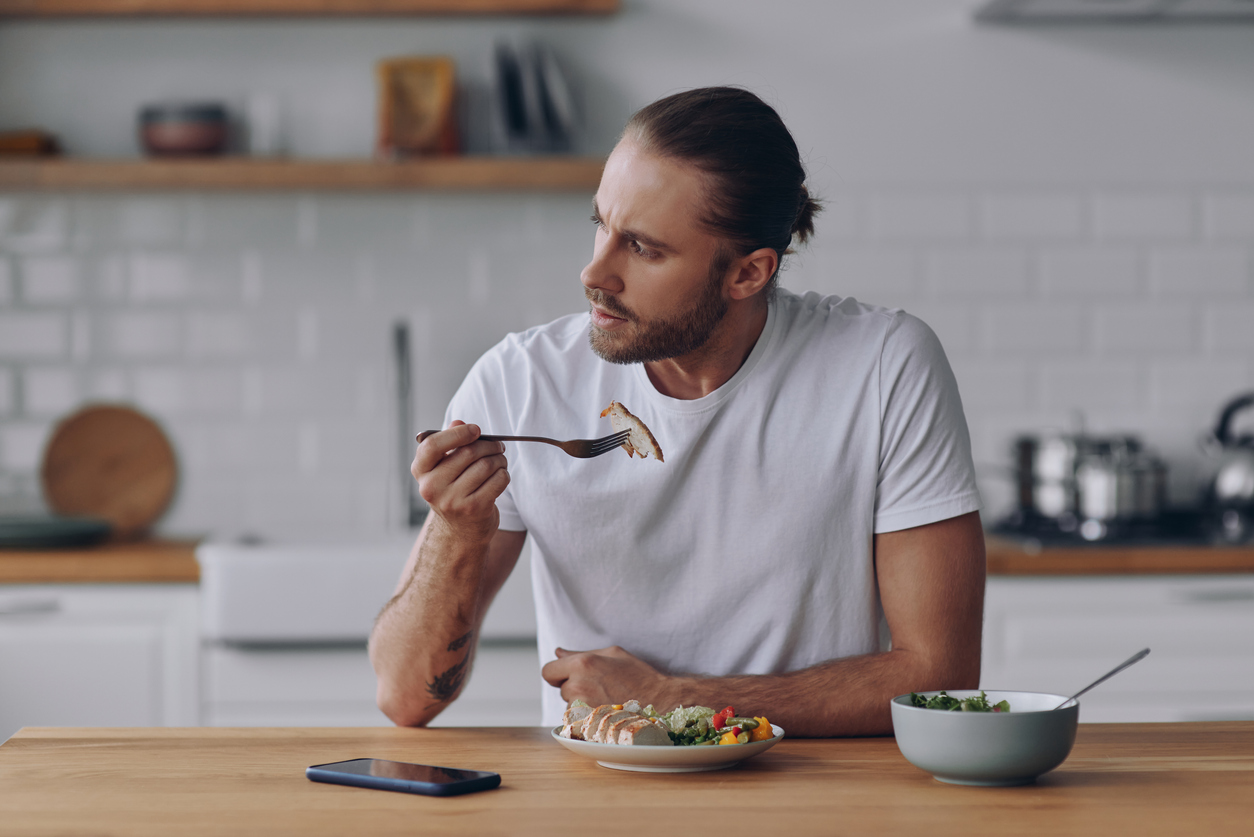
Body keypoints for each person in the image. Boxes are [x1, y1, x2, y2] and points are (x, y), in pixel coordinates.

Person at [369, 87, 985, 737]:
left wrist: (673, 697)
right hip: (598, 791)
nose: (594, 272)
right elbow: (405, 698)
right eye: (600, 225)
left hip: (812, 792)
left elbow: (937, 673)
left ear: (748, 273)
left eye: (643, 248)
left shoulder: (883, 366)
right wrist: (455, 530)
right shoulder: (520, 383)